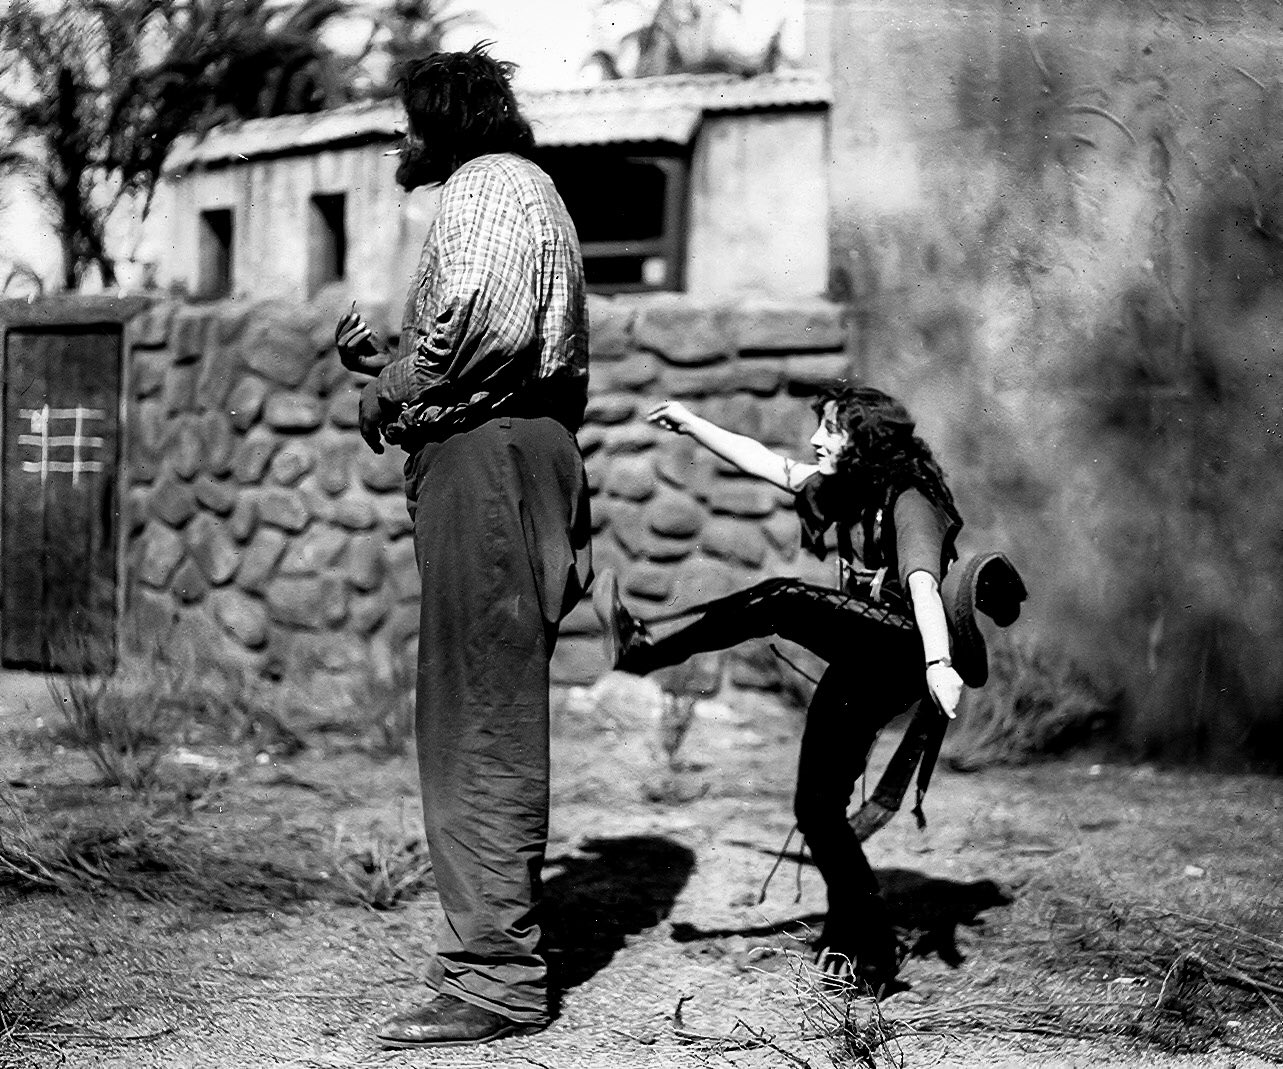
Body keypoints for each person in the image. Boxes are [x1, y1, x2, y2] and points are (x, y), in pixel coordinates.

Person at [594, 384, 1025, 991]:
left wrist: (936, 666)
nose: (817, 440)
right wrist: (692, 423)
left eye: (832, 429)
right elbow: (763, 462)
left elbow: (924, 586)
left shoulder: (909, 502)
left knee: (782, 598)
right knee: (817, 810)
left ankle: (645, 649)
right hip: (862, 655)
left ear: (865, 443)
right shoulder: (844, 490)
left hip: (902, 649)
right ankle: (866, 939)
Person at [334, 44, 591, 1048]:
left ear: (442, 121)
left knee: (474, 710)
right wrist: (392, 351)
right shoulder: (523, 190)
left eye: (407, 123)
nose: (400, 142)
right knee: (478, 703)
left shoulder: (485, 185)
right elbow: (482, 325)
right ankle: (491, 952)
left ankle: (493, 978)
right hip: (511, 451)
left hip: (488, 460)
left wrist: (388, 387)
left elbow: (478, 327)